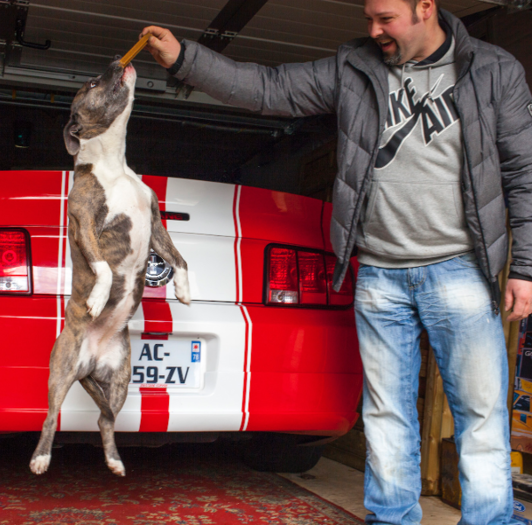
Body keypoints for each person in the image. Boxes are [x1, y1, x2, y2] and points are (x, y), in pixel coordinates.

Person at [141, 0, 532, 523]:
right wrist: (186, 59)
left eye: (385, 19)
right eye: (368, 18)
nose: (373, 30)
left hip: (460, 268)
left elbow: (523, 172)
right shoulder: (355, 66)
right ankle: (391, 518)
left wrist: (525, 268)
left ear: (425, 9)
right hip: (377, 272)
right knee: (386, 412)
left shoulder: (493, 70)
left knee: (480, 414)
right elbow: (270, 88)